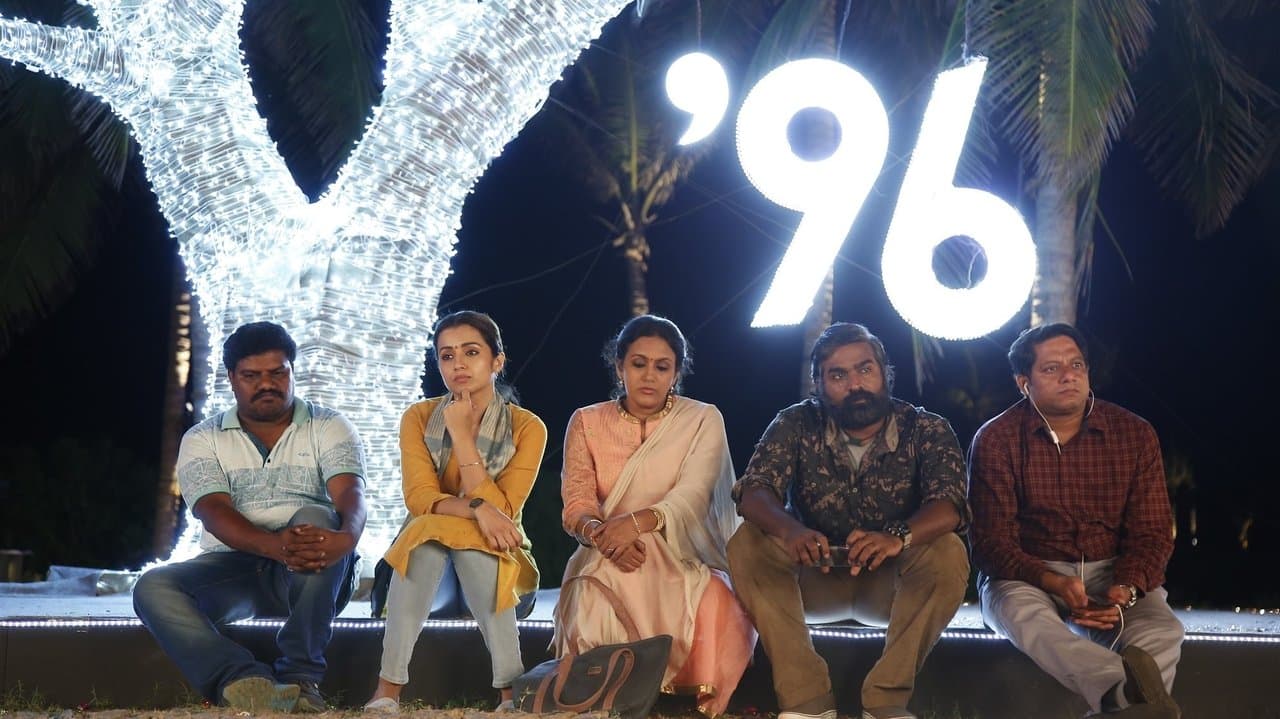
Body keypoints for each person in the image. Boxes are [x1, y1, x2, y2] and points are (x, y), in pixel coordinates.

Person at [728, 322, 969, 719]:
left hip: (891, 586)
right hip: (813, 579)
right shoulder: (796, 422)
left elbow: (950, 504)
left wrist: (897, 536)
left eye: (865, 369)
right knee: (747, 541)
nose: (855, 384)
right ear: (819, 385)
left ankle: (886, 701)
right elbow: (754, 491)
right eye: (838, 375)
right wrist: (792, 531)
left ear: (885, 373)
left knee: (947, 550)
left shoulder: (925, 428)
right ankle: (807, 702)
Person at [133, 321, 367, 713]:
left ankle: (300, 679)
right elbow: (213, 510)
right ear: (231, 378)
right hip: (234, 569)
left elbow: (350, 493)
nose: (266, 384)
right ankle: (244, 681)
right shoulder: (203, 438)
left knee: (315, 517)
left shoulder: (328, 425)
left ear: (292, 371)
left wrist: (348, 537)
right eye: (251, 376)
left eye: (277, 373)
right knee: (152, 587)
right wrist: (275, 546)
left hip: (314, 568)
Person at [967, 323, 1183, 718]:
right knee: (1019, 613)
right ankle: (1121, 694)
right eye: (1051, 368)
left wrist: (1125, 590)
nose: (1069, 375)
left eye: (1077, 365)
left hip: (1112, 574)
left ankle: (1123, 707)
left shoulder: (1133, 434)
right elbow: (991, 543)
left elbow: (1152, 532)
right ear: (1024, 383)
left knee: (1162, 632)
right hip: (1028, 576)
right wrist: (1054, 582)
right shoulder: (997, 439)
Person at [553, 314, 755, 718]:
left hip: (681, 548)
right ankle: (610, 694)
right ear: (619, 367)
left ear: (676, 373)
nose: (649, 375)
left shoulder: (702, 419)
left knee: (714, 597)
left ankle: (682, 701)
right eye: (638, 363)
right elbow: (577, 502)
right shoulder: (587, 421)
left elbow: (694, 494)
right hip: (606, 550)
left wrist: (635, 525)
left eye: (662, 366)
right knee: (598, 589)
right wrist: (603, 536)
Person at [363, 311, 547, 713]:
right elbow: (420, 499)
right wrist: (480, 508)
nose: (458, 364)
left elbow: (505, 512)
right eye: (447, 356)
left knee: (462, 541)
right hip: (432, 582)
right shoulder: (418, 417)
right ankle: (389, 691)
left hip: (504, 568)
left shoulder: (527, 428)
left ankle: (508, 692)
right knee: (427, 538)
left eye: (471, 352)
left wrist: (462, 435)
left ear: (497, 361)